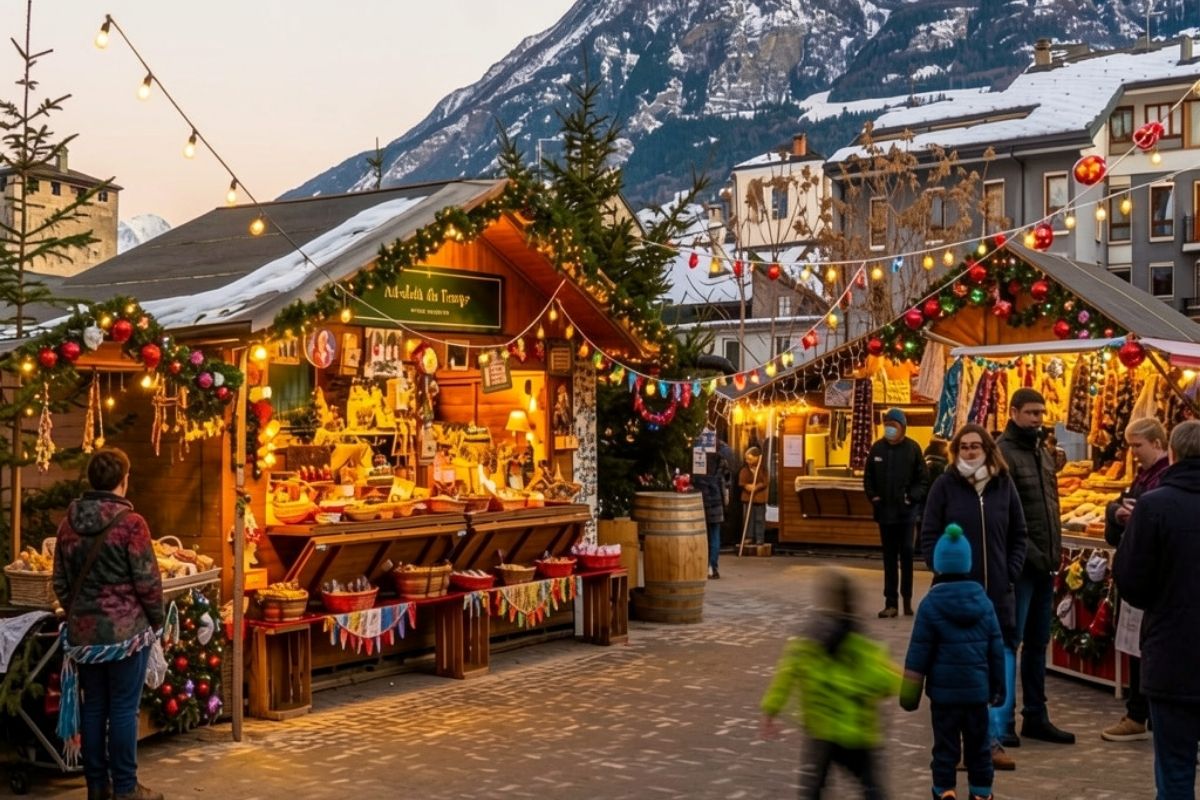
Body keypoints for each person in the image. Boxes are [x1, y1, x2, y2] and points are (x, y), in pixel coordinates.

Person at [51, 448, 164, 800]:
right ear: (122, 480)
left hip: (84, 637)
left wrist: (79, 612)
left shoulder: (68, 524)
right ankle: (127, 788)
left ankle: (97, 787)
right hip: (126, 634)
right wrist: (156, 621)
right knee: (123, 709)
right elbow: (148, 582)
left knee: (94, 706)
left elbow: (59, 581)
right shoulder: (132, 524)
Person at [921, 423, 1027, 770]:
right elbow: (929, 533)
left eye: (975, 446)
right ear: (955, 451)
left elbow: (1018, 533)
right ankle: (966, 744)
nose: (970, 451)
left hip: (997, 594)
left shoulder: (1002, 485)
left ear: (987, 449)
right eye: (964, 446)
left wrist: (1009, 572)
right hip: (955, 596)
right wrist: (942, 572)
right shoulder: (944, 486)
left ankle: (990, 741)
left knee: (1000, 662)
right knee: (962, 669)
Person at [1114, 419, 1200, 799]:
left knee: (1175, 766)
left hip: (1171, 652)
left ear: (1174, 453)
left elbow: (1130, 580)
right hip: (1172, 648)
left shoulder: (1154, 506)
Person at [761, 568, 900, 799]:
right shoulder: (862, 642)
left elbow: (785, 675)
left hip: (821, 730)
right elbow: (885, 680)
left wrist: (770, 710)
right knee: (872, 788)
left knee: (813, 787)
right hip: (858, 733)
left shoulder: (807, 639)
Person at [994, 388, 1076, 748]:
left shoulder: (1042, 454)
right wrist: (1027, 553)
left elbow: (1050, 506)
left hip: (1045, 562)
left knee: (1038, 642)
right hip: (1020, 566)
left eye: (1041, 413)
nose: (1037, 419)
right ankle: (1004, 718)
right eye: (1030, 412)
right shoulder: (1003, 453)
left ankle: (1036, 716)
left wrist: (1054, 550)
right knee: (1011, 641)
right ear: (1013, 412)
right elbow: (1005, 515)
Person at [902, 523, 1006, 800]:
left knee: (945, 749)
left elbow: (918, 653)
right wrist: (998, 688)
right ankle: (982, 793)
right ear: (968, 564)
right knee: (979, 749)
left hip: (944, 698)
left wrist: (909, 695)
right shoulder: (984, 604)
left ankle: (945, 791)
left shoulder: (930, 605)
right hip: (976, 694)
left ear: (938, 566)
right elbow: (996, 650)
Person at [1102, 417, 1170, 743]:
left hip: (1154, 577)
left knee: (1147, 645)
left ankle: (1142, 712)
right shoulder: (1144, 476)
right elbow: (1118, 503)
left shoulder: (1166, 477)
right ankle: (1137, 712)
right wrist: (1117, 513)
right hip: (1139, 569)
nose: (1132, 452)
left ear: (1157, 443)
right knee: (1134, 645)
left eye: (1137, 445)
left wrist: (1134, 516)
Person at [863, 407, 929, 618]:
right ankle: (890, 603)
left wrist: (912, 497)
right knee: (889, 558)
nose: (890, 429)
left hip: (906, 514)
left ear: (902, 427)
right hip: (885, 514)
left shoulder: (912, 449)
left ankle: (907, 600)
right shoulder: (877, 449)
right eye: (887, 426)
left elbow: (923, 479)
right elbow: (868, 478)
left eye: (894, 426)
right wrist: (874, 497)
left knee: (907, 555)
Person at [696, 438, 734, 579]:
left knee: (703, 534)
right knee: (715, 533)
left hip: (701, 500)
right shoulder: (722, 456)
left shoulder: (698, 456)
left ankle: (702, 566)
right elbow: (727, 479)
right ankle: (713, 567)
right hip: (716, 499)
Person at [739, 446, 769, 547]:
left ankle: (759, 538)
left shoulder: (763, 469)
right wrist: (747, 486)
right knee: (749, 518)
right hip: (748, 497)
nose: (748, 461)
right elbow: (742, 481)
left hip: (760, 498)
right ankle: (749, 537)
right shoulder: (745, 469)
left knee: (760, 518)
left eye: (750, 459)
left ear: (757, 458)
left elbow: (765, 482)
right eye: (747, 459)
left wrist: (756, 487)